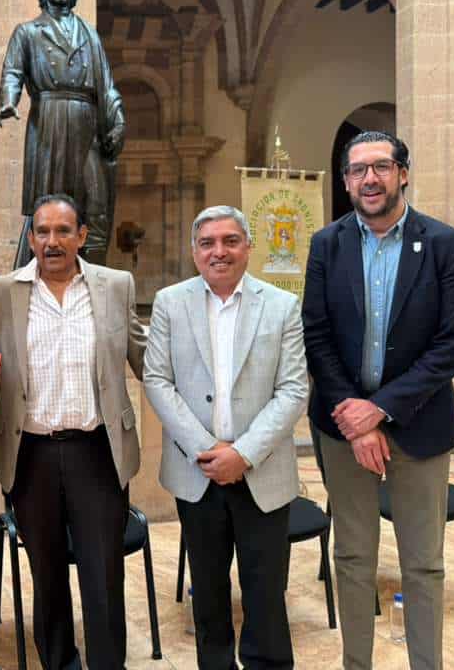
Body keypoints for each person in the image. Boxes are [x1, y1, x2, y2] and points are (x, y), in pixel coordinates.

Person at [302, 131, 454, 670]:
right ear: (346, 181)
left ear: (403, 173)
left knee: (423, 564)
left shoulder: (445, 244)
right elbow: (317, 335)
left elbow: (452, 341)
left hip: (420, 426)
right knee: (352, 558)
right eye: (357, 170)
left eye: (380, 167)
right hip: (342, 427)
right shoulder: (326, 245)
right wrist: (356, 419)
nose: (368, 179)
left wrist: (381, 410)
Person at [0, 193, 146, 670]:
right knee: (47, 574)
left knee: (103, 575)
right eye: (42, 231)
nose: (51, 242)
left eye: (62, 231)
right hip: (29, 454)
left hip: (97, 453)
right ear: (30, 237)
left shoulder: (115, 286)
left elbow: (149, 361)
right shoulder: (0, 291)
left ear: (82, 236)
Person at [144, 204, 308, 670]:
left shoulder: (281, 306)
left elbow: (295, 388)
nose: (219, 251)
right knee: (209, 595)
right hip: (198, 476)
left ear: (248, 247)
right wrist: (208, 450)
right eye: (207, 243)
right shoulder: (170, 303)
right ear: (194, 252)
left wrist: (244, 454)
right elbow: (157, 380)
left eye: (230, 240)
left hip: (263, 473)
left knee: (266, 595)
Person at [0, 0, 125, 266]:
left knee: (96, 205)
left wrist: (116, 118)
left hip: (86, 124)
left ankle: (93, 275)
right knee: (48, 205)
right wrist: (9, 100)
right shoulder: (28, 32)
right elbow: (13, 71)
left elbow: (105, 83)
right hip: (50, 122)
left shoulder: (89, 34)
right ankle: (38, 271)